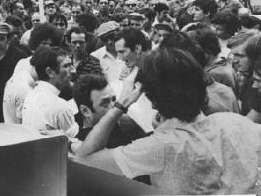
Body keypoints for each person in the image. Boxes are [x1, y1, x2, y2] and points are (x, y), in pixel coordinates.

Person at [75, 47, 261, 195]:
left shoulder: (159, 146)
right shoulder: (238, 123)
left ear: (154, 100)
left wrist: (121, 104)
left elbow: (83, 160)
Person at [72, 74, 145, 149]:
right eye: (105, 103)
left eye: (113, 99)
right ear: (85, 111)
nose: (114, 106)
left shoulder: (122, 121)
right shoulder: (87, 145)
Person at [21, 46, 78, 136]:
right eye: (66, 66)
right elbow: (74, 141)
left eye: (71, 65)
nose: (73, 70)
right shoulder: (61, 106)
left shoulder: (30, 95)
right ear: (50, 72)